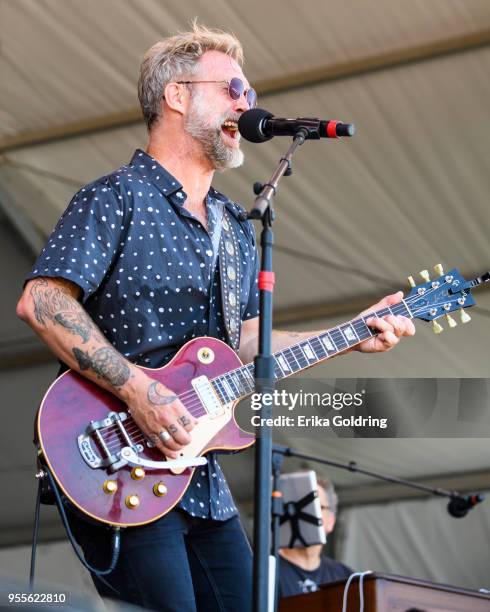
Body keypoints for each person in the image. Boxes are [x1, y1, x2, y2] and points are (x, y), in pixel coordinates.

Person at [16, 23, 415, 612]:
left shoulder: (233, 224)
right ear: (177, 96)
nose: (247, 105)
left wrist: (352, 334)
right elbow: (42, 302)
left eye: (248, 95)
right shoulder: (116, 196)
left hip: (202, 477)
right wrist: (141, 390)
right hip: (120, 461)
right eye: (232, 89)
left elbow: (247, 339)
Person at [279, 475, 353, 597]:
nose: (305, 512)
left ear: (331, 521)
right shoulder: (265, 569)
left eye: (314, 506)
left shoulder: (346, 577)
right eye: (297, 506)